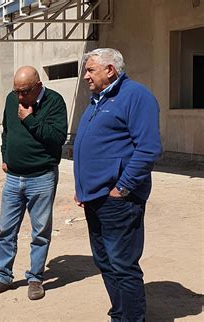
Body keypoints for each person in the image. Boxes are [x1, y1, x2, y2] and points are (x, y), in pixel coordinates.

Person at [73, 48, 162, 321]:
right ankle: (121, 313)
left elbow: (148, 149)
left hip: (118, 200)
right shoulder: (97, 100)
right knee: (105, 262)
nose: (85, 76)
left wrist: (121, 188)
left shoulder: (136, 96)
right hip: (94, 197)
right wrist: (83, 187)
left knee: (123, 264)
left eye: (91, 70)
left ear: (110, 70)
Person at [0, 66, 67, 300]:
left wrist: (30, 120)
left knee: (40, 232)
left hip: (42, 177)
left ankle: (35, 278)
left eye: (24, 92)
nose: (19, 97)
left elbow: (58, 138)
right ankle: (2, 277)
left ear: (37, 86)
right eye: (16, 91)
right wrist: (5, 157)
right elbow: (6, 132)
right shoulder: (11, 99)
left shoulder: (54, 102)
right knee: (5, 230)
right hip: (13, 177)